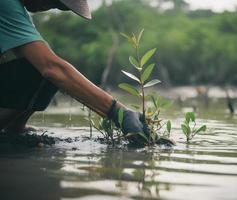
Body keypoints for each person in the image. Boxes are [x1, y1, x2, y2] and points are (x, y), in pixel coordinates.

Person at [0, 0, 150, 145]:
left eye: (58, 6)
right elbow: (51, 68)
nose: (49, 7)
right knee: (45, 69)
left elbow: (52, 68)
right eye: (52, 1)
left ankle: (14, 129)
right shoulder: (6, 4)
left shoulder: (19, 13)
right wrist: (119, 113)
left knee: (38, 67)